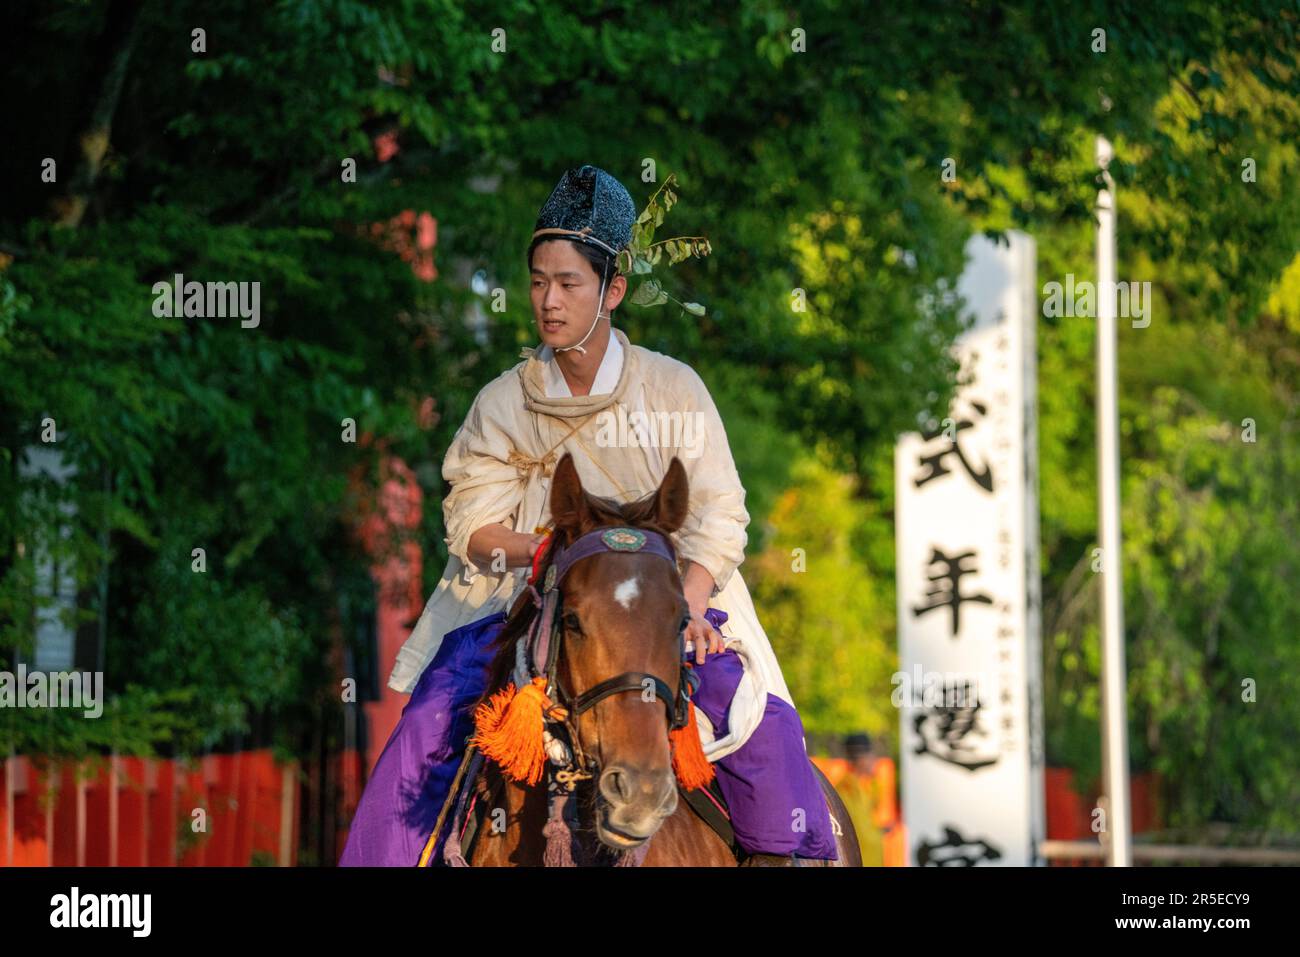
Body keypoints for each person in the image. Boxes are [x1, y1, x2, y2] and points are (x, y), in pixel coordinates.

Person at [340, 165, 836, 866]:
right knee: (429, 716)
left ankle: (794, 855)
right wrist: (540, 556)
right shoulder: (503, 402)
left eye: (569, 283)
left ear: (614, 290)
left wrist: (689, 607)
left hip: (671, 604)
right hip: (531, 604)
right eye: (539, 280)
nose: (549, 299)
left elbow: (721, 517)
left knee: (764, 732)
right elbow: (471, 525)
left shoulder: (673, 389)